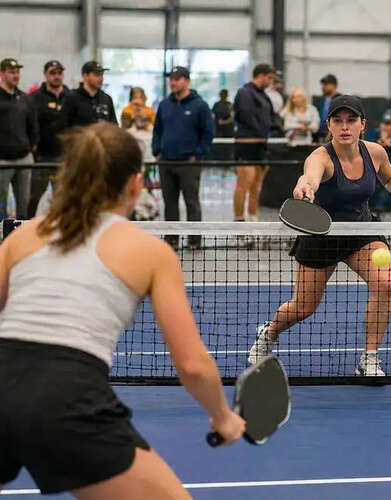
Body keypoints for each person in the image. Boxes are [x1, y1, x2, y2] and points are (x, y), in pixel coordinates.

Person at [0, 122, 244, 498]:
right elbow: (192, 364)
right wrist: (222, 416)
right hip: (65, 400)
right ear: (134, 183)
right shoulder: (149, 251)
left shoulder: (21, 236)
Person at [247, 96, 391, 377]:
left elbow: (389, 175)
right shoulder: (320, 157)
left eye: (351, 120)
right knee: (303, 308)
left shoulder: (375, 152)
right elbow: (309, 178)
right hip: (321, 237)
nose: (344, 127)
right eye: (338, 121)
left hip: (361, 233)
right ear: (329, 125)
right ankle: (269, 332)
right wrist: (305, 189)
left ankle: (369, 359)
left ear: (363, 124)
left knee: (385, 284)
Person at [151, 66, 215, 249]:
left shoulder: (200, 105)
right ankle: (171, 240)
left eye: (177, 79)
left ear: (187, 81)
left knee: (191, 203)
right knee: (169, 204)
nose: (172, 82)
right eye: (171, 78)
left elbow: (208, 133)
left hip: (189, 163)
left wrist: (198, 154)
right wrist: (157, 151)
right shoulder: (164, 104)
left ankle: (194, 241)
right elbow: (157, 130)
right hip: (166, 162)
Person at [233, 63, 275, 223]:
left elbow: (271, 119)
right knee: (244, 184)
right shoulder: (244, 93)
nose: (271, 81)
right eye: (269, 78)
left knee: (257, 185)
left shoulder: (264, 96)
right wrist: (261, 131)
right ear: (261, 76)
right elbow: (246, 116)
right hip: (246, 145)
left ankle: (252, 219)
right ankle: (239, 222)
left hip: (261, 146)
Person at [27, 60, 69, 218]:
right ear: (45, 75)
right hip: (42, 157)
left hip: (64, 156)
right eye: (53, 73)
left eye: (59, 73)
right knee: (34, 197)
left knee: (63, 198)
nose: (57, 77)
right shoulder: (34, 98)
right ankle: (26, 226)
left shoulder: (70, 97)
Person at [0, 57, 37, 221]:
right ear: (2, 74)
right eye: (11, 72)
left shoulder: (25, 98)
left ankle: (21, 237)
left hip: (24, 158)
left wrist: (32, 146)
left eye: (17, 72)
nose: (15, 75)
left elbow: (33, 126)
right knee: (0, 203)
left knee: (24, 204)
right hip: (2, 160)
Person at [63, 61, 116, 127]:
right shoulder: (71, 98)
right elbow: (63, 128)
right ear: (85, 76)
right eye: (97, 75)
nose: (101, 78)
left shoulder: (107, 99)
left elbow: (114, 126)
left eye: (102, 74)